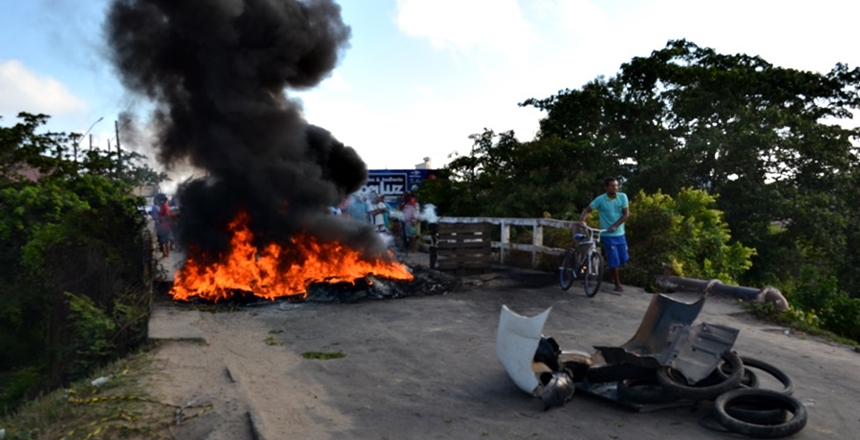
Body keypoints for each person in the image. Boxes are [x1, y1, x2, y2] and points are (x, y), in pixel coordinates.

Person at [579, 177, 629, 292]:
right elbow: (587, 210)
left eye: (616, 185)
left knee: (624, 259)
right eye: (612, 186)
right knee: (614, 259)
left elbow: (626, 214)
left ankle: (610, 271)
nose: (615, 188)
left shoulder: (622, 197)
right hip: (607, 235)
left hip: (620, 233)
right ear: (606, 187)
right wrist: (582, 220)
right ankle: (617, 284)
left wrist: (615, 225)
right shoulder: (600, 199)